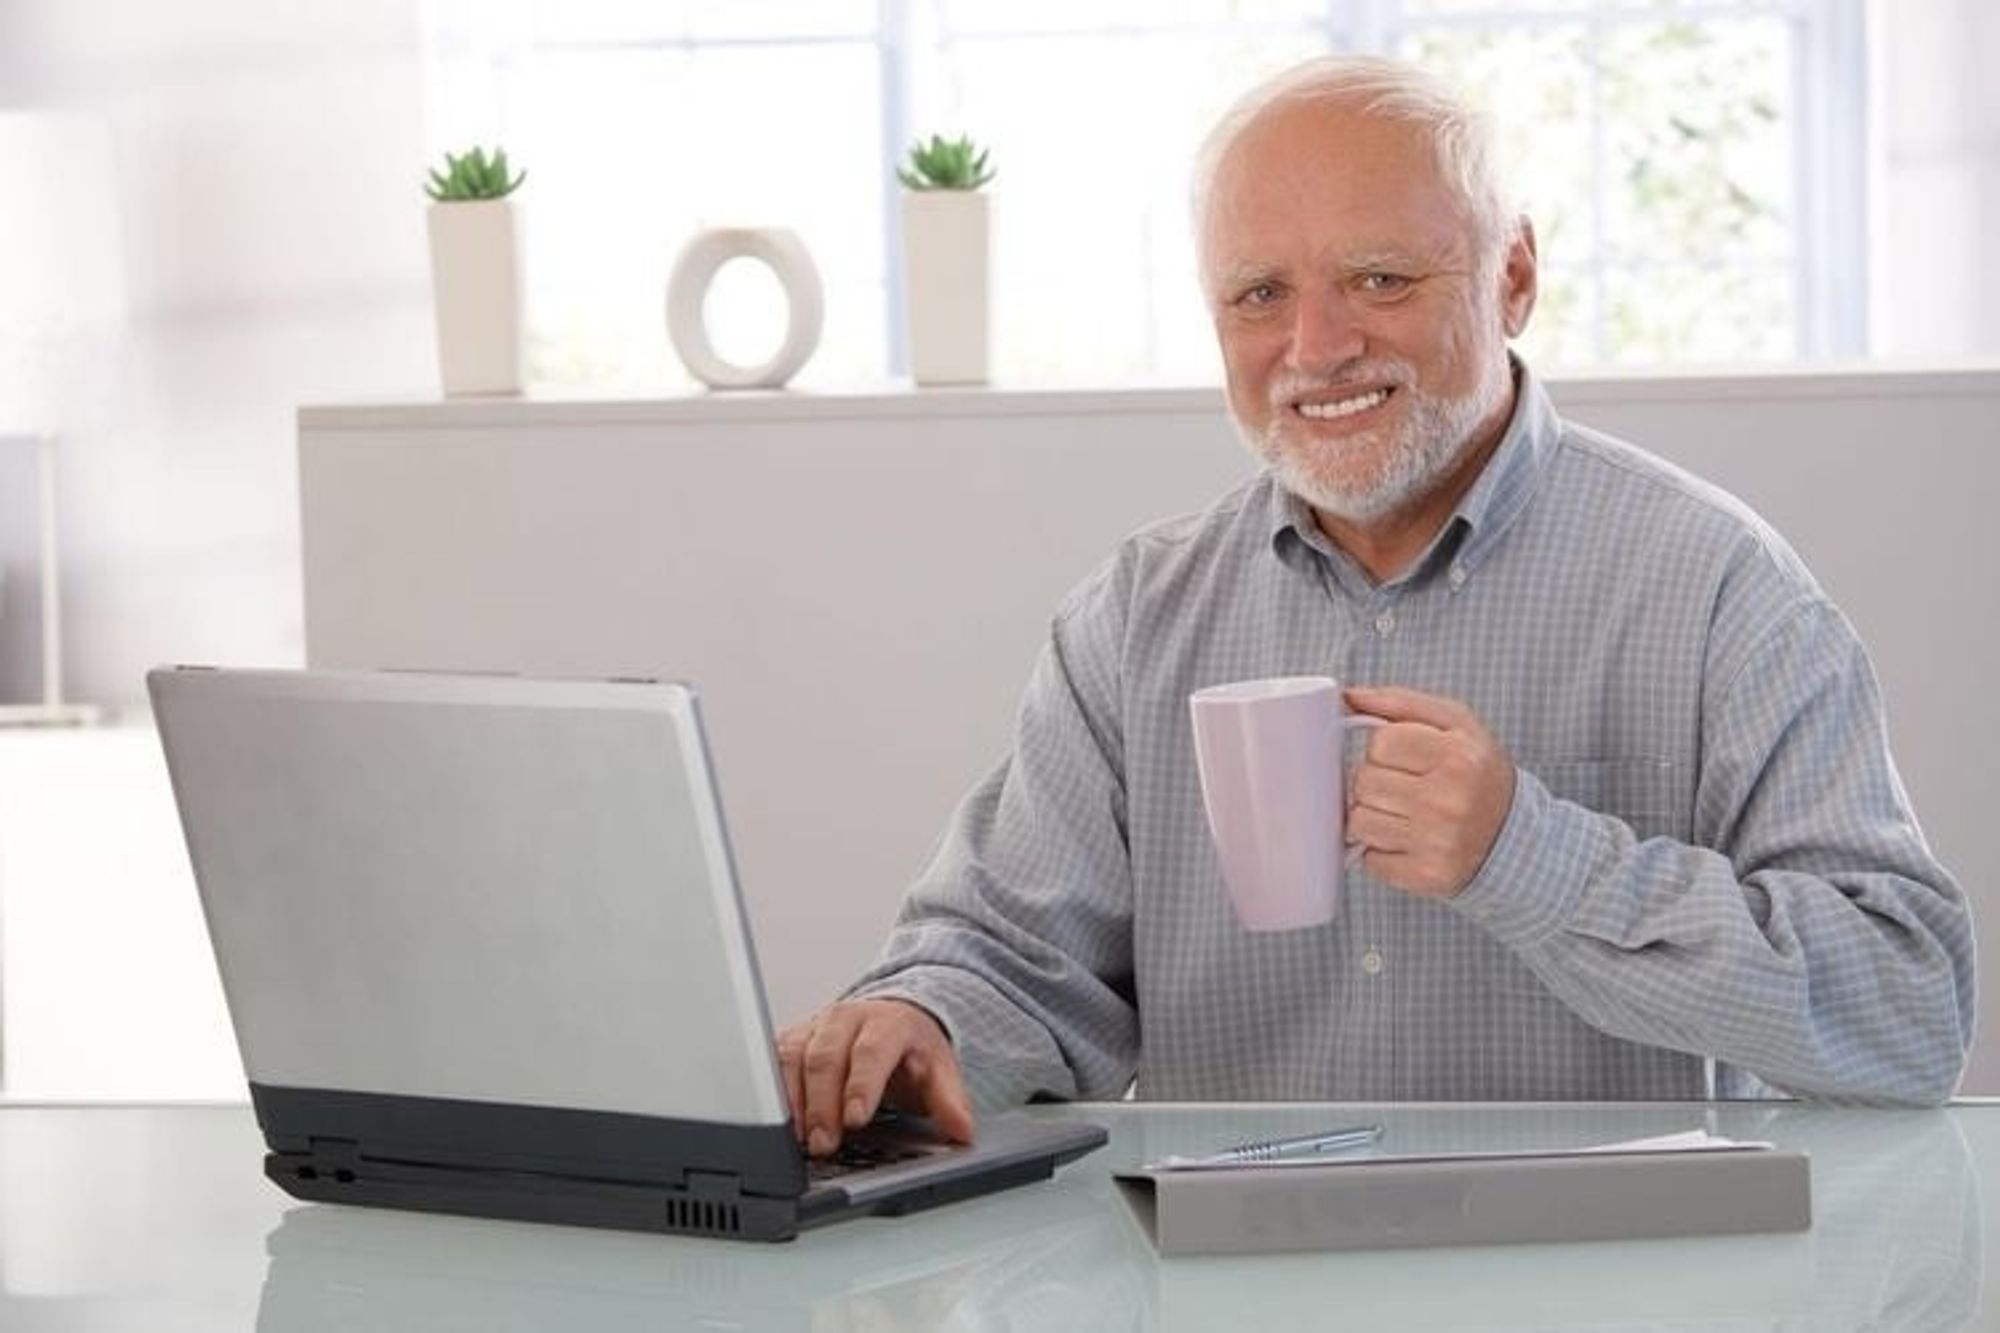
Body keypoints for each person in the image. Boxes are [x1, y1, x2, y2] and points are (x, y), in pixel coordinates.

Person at [777, 54, 1977, 1157]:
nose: (1315, 345)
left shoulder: (1718, 587)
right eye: (1256, 295)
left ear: (1511, 276)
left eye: (1378, 278)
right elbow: (1014, 963)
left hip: (1617, 1282)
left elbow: (1907, 1014)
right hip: (1227, 1284)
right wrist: (914, 1020)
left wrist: (1529, 855)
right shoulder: (1134, 619)